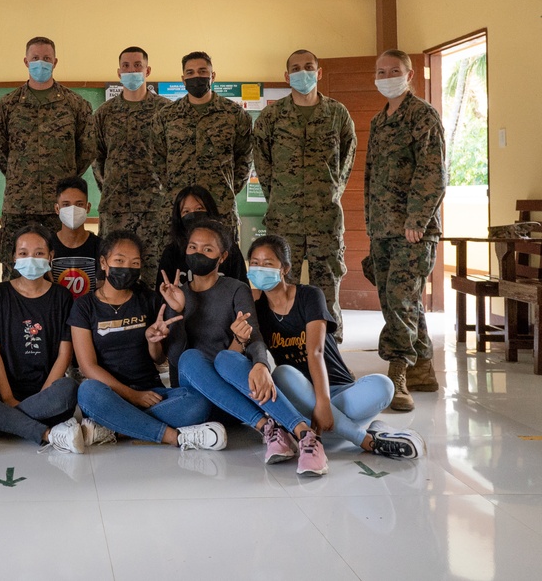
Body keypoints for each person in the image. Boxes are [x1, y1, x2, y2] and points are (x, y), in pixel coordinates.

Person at [166, 219, 329, 476]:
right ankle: (267, 425)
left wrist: (262, 364)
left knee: (225, 359)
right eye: (192, 247)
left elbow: (254, 336)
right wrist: (177, 313)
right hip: (198, 394)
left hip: (237, 396)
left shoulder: (236, 289)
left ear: (222, 256)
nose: (198, 253)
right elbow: (175, 360)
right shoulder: (176, 294)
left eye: (207, 249)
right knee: (189, 358)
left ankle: (301, 434)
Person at [250, 235, 425, 459]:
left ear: (284, 268)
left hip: (338, 391)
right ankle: (366, 438)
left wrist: (323, 403)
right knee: (282, 373)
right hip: (300, 394)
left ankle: (323, 428)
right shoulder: (258, 311)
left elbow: (316, 351)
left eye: (268, 263)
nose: (260, 269)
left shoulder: (309, 296)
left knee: (384, 385)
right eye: (255, 263)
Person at [72, 230, 225, 450]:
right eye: (119, 261)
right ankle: (174, 437)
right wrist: (133, 396)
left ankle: (116, 428)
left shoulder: (148, 300)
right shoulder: (84, 306)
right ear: (104, 263)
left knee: (198, 402)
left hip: (151, 391)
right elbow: (88, 366)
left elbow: (159, 357)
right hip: (109, 395)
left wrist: (153, 340)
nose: (127, 267)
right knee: (87, 392)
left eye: (135, 262)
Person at [252, 49, 357, 343]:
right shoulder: (271, 116)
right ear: (286, 77)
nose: (303, 72)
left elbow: (346, 163)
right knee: (284, 288)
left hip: (326, 219)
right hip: (284, 220)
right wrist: (281, 199)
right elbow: (263, 166)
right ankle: (289, 350)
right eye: (296, 68)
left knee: (328, 288)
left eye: (308, 67)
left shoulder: (337, 114)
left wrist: (331, 192)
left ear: (319, 72)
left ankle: (331, 353)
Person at [365, 49, 446, 411]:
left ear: (409, 75)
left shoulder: (422, 115)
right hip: (383, 229)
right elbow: (372, 177)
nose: (386, 76)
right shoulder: (379, 121)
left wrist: (417, 219)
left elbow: (433, 172)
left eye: (393, 70)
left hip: (413, 230)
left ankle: (397, 373)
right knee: (401, 298)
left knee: (398, 299)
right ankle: (424, 369)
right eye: (381, 71)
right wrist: (371, 225)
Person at [0, 224, 83, 452]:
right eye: (23, 253)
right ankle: (43, 431)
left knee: (68, 389)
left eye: (39, 253)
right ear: (14, 257)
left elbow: (64, 353)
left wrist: (43, 394)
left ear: (50, 256)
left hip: (48, 393)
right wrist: (7, 398)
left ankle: (1, 422)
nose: (31, 259)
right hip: (5, 390)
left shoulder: (62, 296)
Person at [0, 36, 95, 279]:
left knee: (60, 271)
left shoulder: (76, 104)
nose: (41, 63)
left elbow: (86, 150)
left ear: (55, 62)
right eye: (35, 58)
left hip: (60, 209)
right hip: (18, 206)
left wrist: (62, 179)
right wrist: (20, 176)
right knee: (14, 270)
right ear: (26, 61)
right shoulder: (6, 106)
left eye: (46, 58)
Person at [93, 46, 173, 286]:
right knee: (114, 276)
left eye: (137, 65)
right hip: (115, 209)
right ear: (119, 72)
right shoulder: (104, 113)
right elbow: (97, 159)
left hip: (155, 209)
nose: (131, 70)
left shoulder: (166, 111)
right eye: (126, 66)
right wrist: (111, 188)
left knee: (155, 276)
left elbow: (173, 159)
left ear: (147, 70)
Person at [153, 51, 252, 240]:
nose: (196, 77)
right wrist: (176, 190)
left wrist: (223, 190)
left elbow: (244, 159)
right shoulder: (166, 116)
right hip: (177, 211)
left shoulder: (234, 114)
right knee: (174, 267)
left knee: (224, 266)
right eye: (190, 73)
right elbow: (158, 159)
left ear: (212, 75)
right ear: (183, 79)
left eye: (202, 71)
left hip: (220, 210)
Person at [156, 185, 248, 289]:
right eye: (186, 211)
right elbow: (162, 296)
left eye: (199, 208)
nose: (193, 214)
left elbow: (243, 288)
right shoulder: (171, 253)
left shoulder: (230, 250)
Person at [52, 176, 102, 299]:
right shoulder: (45, 247)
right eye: (66, 204)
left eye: (79, 204)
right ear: (57, 209)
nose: (72, 210)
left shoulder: (101, 247)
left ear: (88, 208)